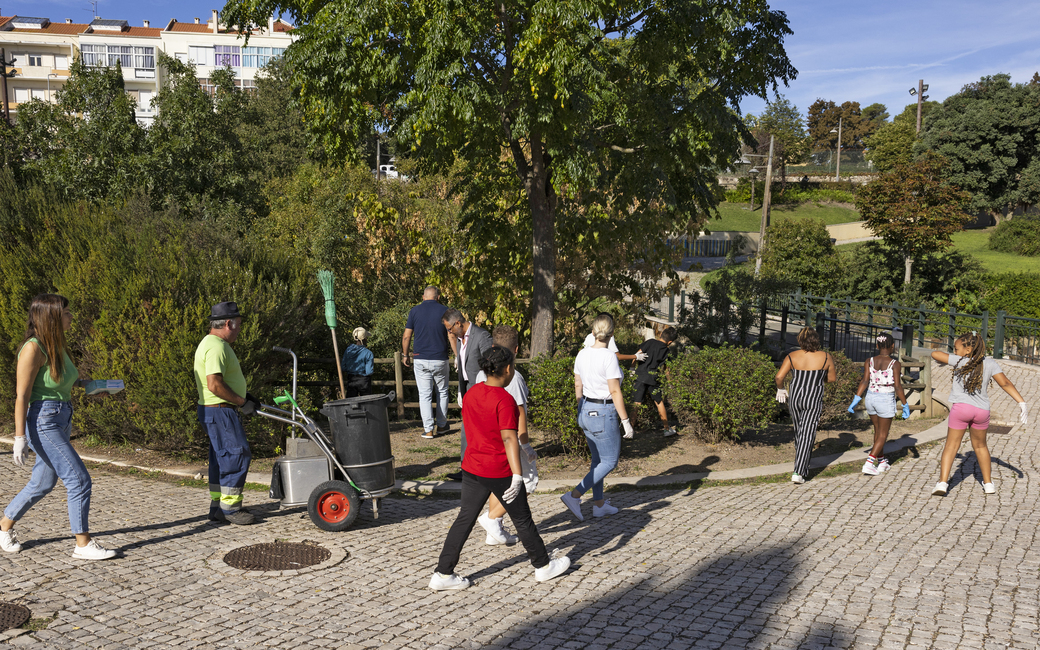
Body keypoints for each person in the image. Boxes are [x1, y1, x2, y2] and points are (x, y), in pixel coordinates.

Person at [428, 346, 570, 590]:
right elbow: (509, 438)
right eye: (513, 367)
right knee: (523, 519)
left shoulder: (472, 392)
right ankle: (543, 566)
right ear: (507, 369)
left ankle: (443, 573)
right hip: (498, 469)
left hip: (472, 466)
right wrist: (517, 475)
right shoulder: (505, 400)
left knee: (465, 519)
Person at [0, 294, 116, 560]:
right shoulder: (33, 348)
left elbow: (60, 380)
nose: (70, 316)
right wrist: (19, 437)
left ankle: (4, 526)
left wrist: (88, 385)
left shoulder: (57, 345)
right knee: (79, 479)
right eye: (66, 312)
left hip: (62, 416)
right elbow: (21, 396)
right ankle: (83, 544)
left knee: (42, 482)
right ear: (51, 316)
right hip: (43, 420)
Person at [930, 331, 1028, 496]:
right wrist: (1021, 402)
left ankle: (942, 483)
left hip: (961, 410)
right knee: (981, 446)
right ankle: (988, 484)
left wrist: (954, 357)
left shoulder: (959, 361)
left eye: (956, 348)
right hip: (981, 411)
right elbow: (1005, 383)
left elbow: (935, 354)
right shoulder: (990, 364)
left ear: (967, 350)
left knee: (951, 446)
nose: (954, 351)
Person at [560, 314, 635, 521]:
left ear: (593, 332)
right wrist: (626, 421)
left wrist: (580, 408)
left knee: (598, 460)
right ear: (611, 334)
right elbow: (615, 391)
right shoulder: (609, 356)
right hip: (603, 411)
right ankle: (574, 495)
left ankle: (599, 504)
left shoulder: (582, 354)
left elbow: (578, 384)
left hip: (585, 408)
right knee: (610, 461)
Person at [194, 301, 260, 525]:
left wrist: (245, 395)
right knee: (236, 455)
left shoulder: (212, 343)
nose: (240, 329)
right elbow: (214, 384)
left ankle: (218, 506)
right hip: (220, 411)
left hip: (215, 410)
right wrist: (242, 402)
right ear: (229, 323)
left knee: (220, 458)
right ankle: (231, 509)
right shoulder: (216, 347)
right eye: (239, 324)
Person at [473, 325, 537, 546]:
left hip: (490, 436)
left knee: (498, 484)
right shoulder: (514, 377)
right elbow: (520, 413)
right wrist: (526, 444)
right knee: (527, 482)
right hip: (511, 438)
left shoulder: (483, 373)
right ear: (517, 349)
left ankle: (494, 531)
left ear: (492, 347)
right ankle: (491, 519)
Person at [774, 327, 837, 484]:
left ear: (800, 340)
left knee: (799, 431)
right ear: (816, 339)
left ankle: (800, 463)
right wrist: (819, 379)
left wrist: (780, 389)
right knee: (807, 433)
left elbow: (779, 376)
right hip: (813, 397)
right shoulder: (826, 357)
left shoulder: (792, 356)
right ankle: (799, 471)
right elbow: (832, 379)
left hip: (795, 397)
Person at [847, 333, 909, 475]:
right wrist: (905, 404)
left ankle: (881, 462)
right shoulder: (895, 364)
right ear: (893, 346)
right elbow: (898, 387)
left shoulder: (869, 361)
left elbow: (864, 381)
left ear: (877, 346)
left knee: (877, 430)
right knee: (883, 434)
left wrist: (856, 399)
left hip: (870, 398)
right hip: (885, 398)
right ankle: (869, 463)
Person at [442, 308, 493, 480]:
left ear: (458, 323)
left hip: (480, 389)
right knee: (466, 428)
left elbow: (489, 364)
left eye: (450, 329)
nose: (449, 332)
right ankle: (466, 468)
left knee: (480, 430)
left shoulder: (481, 335)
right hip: (466, 388)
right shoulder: (459, 339)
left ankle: (481, 467)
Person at [402, 287, 452, 439]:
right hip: (440, 358)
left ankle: (428, 430)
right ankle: (442, 426)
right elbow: (451, 335)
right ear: (438, 297)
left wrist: (405, 355)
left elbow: (407, 335)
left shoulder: (414, 311)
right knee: (442, 392)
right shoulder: (446, 311)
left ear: (423, 297)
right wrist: (457, 355)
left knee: (424, 395)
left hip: (420, 357)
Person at [632, 326, 678, 436]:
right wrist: (670, 383)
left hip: (640, 375)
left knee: (637, 403)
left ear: (661, 334)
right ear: (670, 342)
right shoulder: (666, 351)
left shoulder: (650, 342)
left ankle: (630, 429)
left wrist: (632, 369)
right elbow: (667, 371)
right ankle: (667, 429)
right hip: (653, 378)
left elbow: (636, 355)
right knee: (659, 402)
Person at [341, 327, 374, 397]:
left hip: (351, 379)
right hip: (364, 381)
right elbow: (369, 371)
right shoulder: (368, 353)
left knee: (351, 403)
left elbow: (343, 367)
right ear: (364, 339)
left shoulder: (348, 350)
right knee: (366, 403)